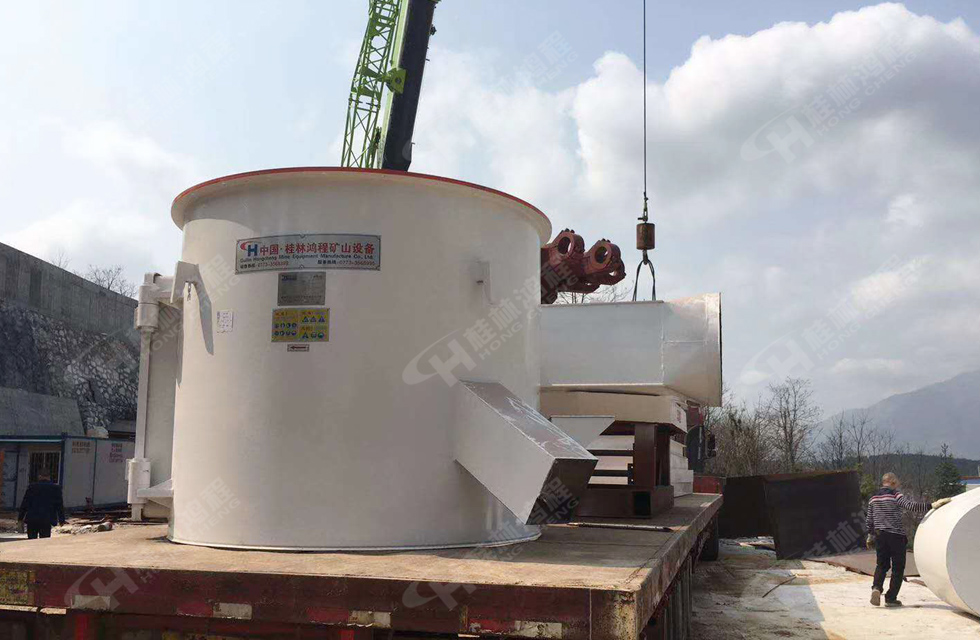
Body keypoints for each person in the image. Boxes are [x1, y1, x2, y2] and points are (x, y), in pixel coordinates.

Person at [866, 472, 952, 607]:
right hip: (896, 536)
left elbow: (869, 520)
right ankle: (891, 598)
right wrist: (931, 505)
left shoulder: (873, 498)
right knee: (898, 567)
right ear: (893, 482)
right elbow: (911, 506)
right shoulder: (895, 495)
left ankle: (876, 588)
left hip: (880, 536)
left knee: (882, 565)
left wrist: (870, 535)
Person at [17, 472, 66, 539]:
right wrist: (61, 519)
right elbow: (59, 505)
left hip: (32, 518)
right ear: (49, 477)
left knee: (31, 540)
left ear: (39, 476)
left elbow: (25, 503)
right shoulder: (55, 488)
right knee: (44, 540)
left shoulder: (32, 487)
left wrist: (20, 518)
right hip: (47, 519)